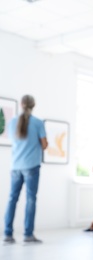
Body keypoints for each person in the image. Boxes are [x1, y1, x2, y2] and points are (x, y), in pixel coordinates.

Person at [3, 95, 48, 245]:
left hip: (15, 166)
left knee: (12, 199)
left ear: (21, 104)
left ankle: (8, 234)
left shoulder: (13, 122)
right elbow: (45, 145)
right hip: (31, 167)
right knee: (30, 199)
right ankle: (28, 235)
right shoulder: (38, 123)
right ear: (33, 105)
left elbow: (14, 140)